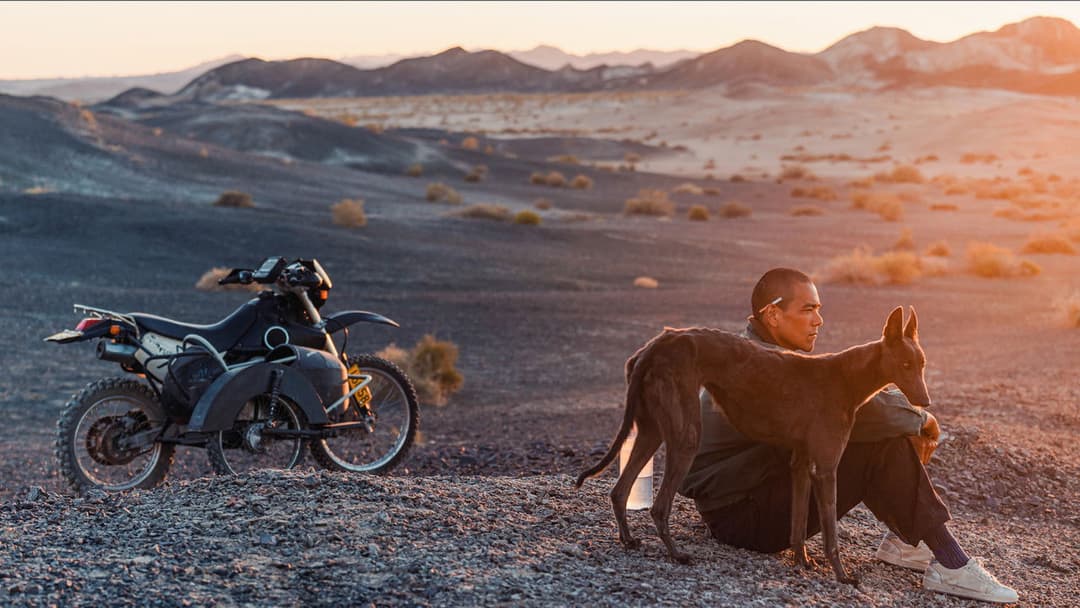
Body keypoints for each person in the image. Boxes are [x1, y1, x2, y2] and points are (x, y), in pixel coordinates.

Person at [678, 268, 1018, 604]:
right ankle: (951, 563)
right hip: (745, 519)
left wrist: (909, 418)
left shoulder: (756, 353)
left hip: (740, 504)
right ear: (773, 315)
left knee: (870, 434)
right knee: (880, 444)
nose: (818, 321)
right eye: (807, 309)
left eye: (819, 310)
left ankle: (907, 542)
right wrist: (922, 420)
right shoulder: (765, 365)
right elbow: (869, 412)